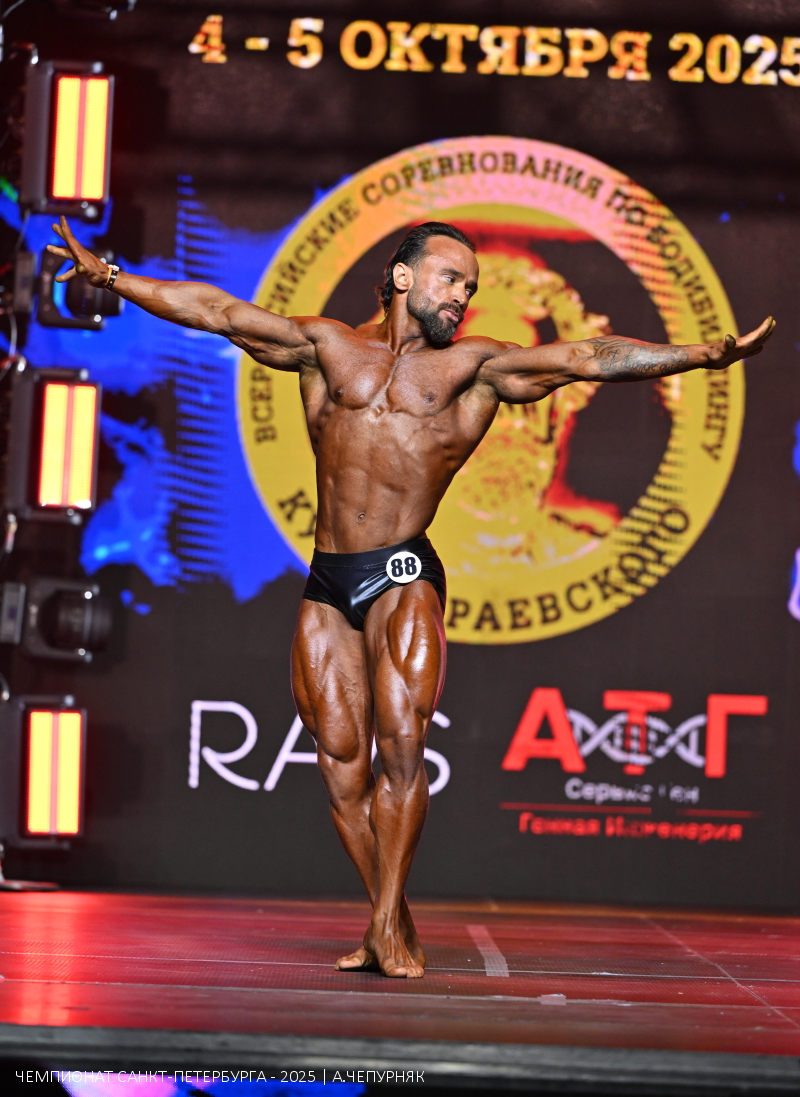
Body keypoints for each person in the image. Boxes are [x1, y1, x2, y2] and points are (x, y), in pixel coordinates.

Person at [48, 216, 774, 979]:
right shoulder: (327, 348)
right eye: (451, 278)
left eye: (471, 286)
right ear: (403, 277)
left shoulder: (474, 368)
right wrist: (111, 277)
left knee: (400, 749)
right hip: (329, 579)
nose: (462, 295)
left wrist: (705, 354)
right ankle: (389, 921)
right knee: (340, 768)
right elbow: (219, 312)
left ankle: (387, 930)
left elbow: (588, 356)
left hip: (403, 574)